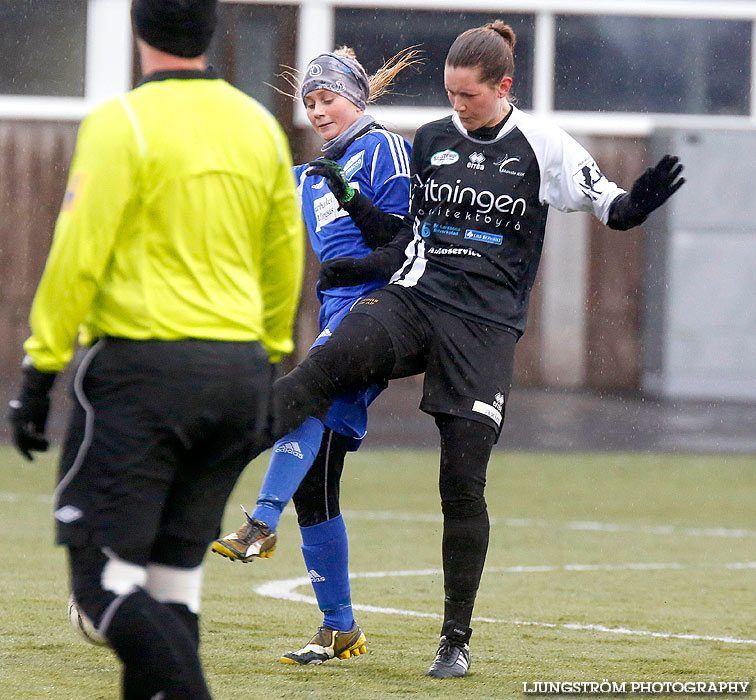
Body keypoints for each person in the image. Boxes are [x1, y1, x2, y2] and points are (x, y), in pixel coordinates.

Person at [260, 21, 685, 679]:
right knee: (324, 365)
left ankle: (454, 641)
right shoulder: (431, 140)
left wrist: (637, 206)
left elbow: (612, 206)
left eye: (468, 96)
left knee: (461, 485)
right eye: (450, 94)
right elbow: (405, 238)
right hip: (416, 300)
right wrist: (355, 248)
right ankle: (214, 452)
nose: (457, 107)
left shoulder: (541, 145)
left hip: (484, 329)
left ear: (502, 86)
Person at [7, 1, 303, 697]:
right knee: (173, 586)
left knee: (101, 583)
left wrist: (39, 372)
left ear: (138, 30)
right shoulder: (259, 126)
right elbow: (284, 257)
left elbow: (76, 254)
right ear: (212, 33)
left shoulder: (123, 122)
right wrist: (266, 361)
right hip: (236, 374)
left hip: (146, 374)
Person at [211, 46, 418, 665]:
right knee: (319, 479)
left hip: (382, 312)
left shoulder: (383, 147)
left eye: (329, 98)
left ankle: (258, 520)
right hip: (337, 316)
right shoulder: (309, 175)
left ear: (357, 97)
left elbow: (404, 238)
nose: (319, 110)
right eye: (310, 101)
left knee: (301, 393)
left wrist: (351, 202)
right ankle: (340, 627)